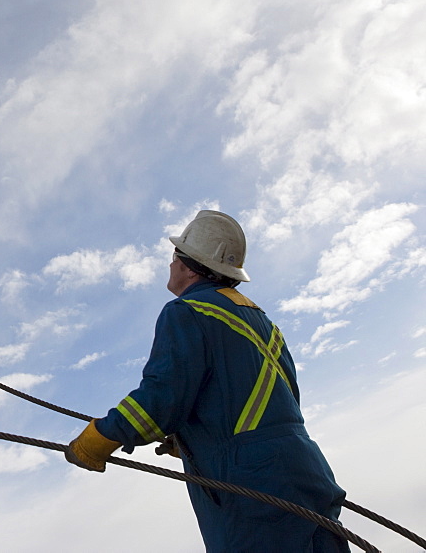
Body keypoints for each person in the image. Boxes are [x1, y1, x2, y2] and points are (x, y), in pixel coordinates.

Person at [65, 210, 348, 552]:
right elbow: (262, 400)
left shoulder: (186, 311)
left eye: (174, 258)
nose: (170, 266)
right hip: (308, 473)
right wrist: (191, 436)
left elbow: (159, 398)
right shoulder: (265, 324)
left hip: (250, 484)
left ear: (187, 265)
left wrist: (100, 438)